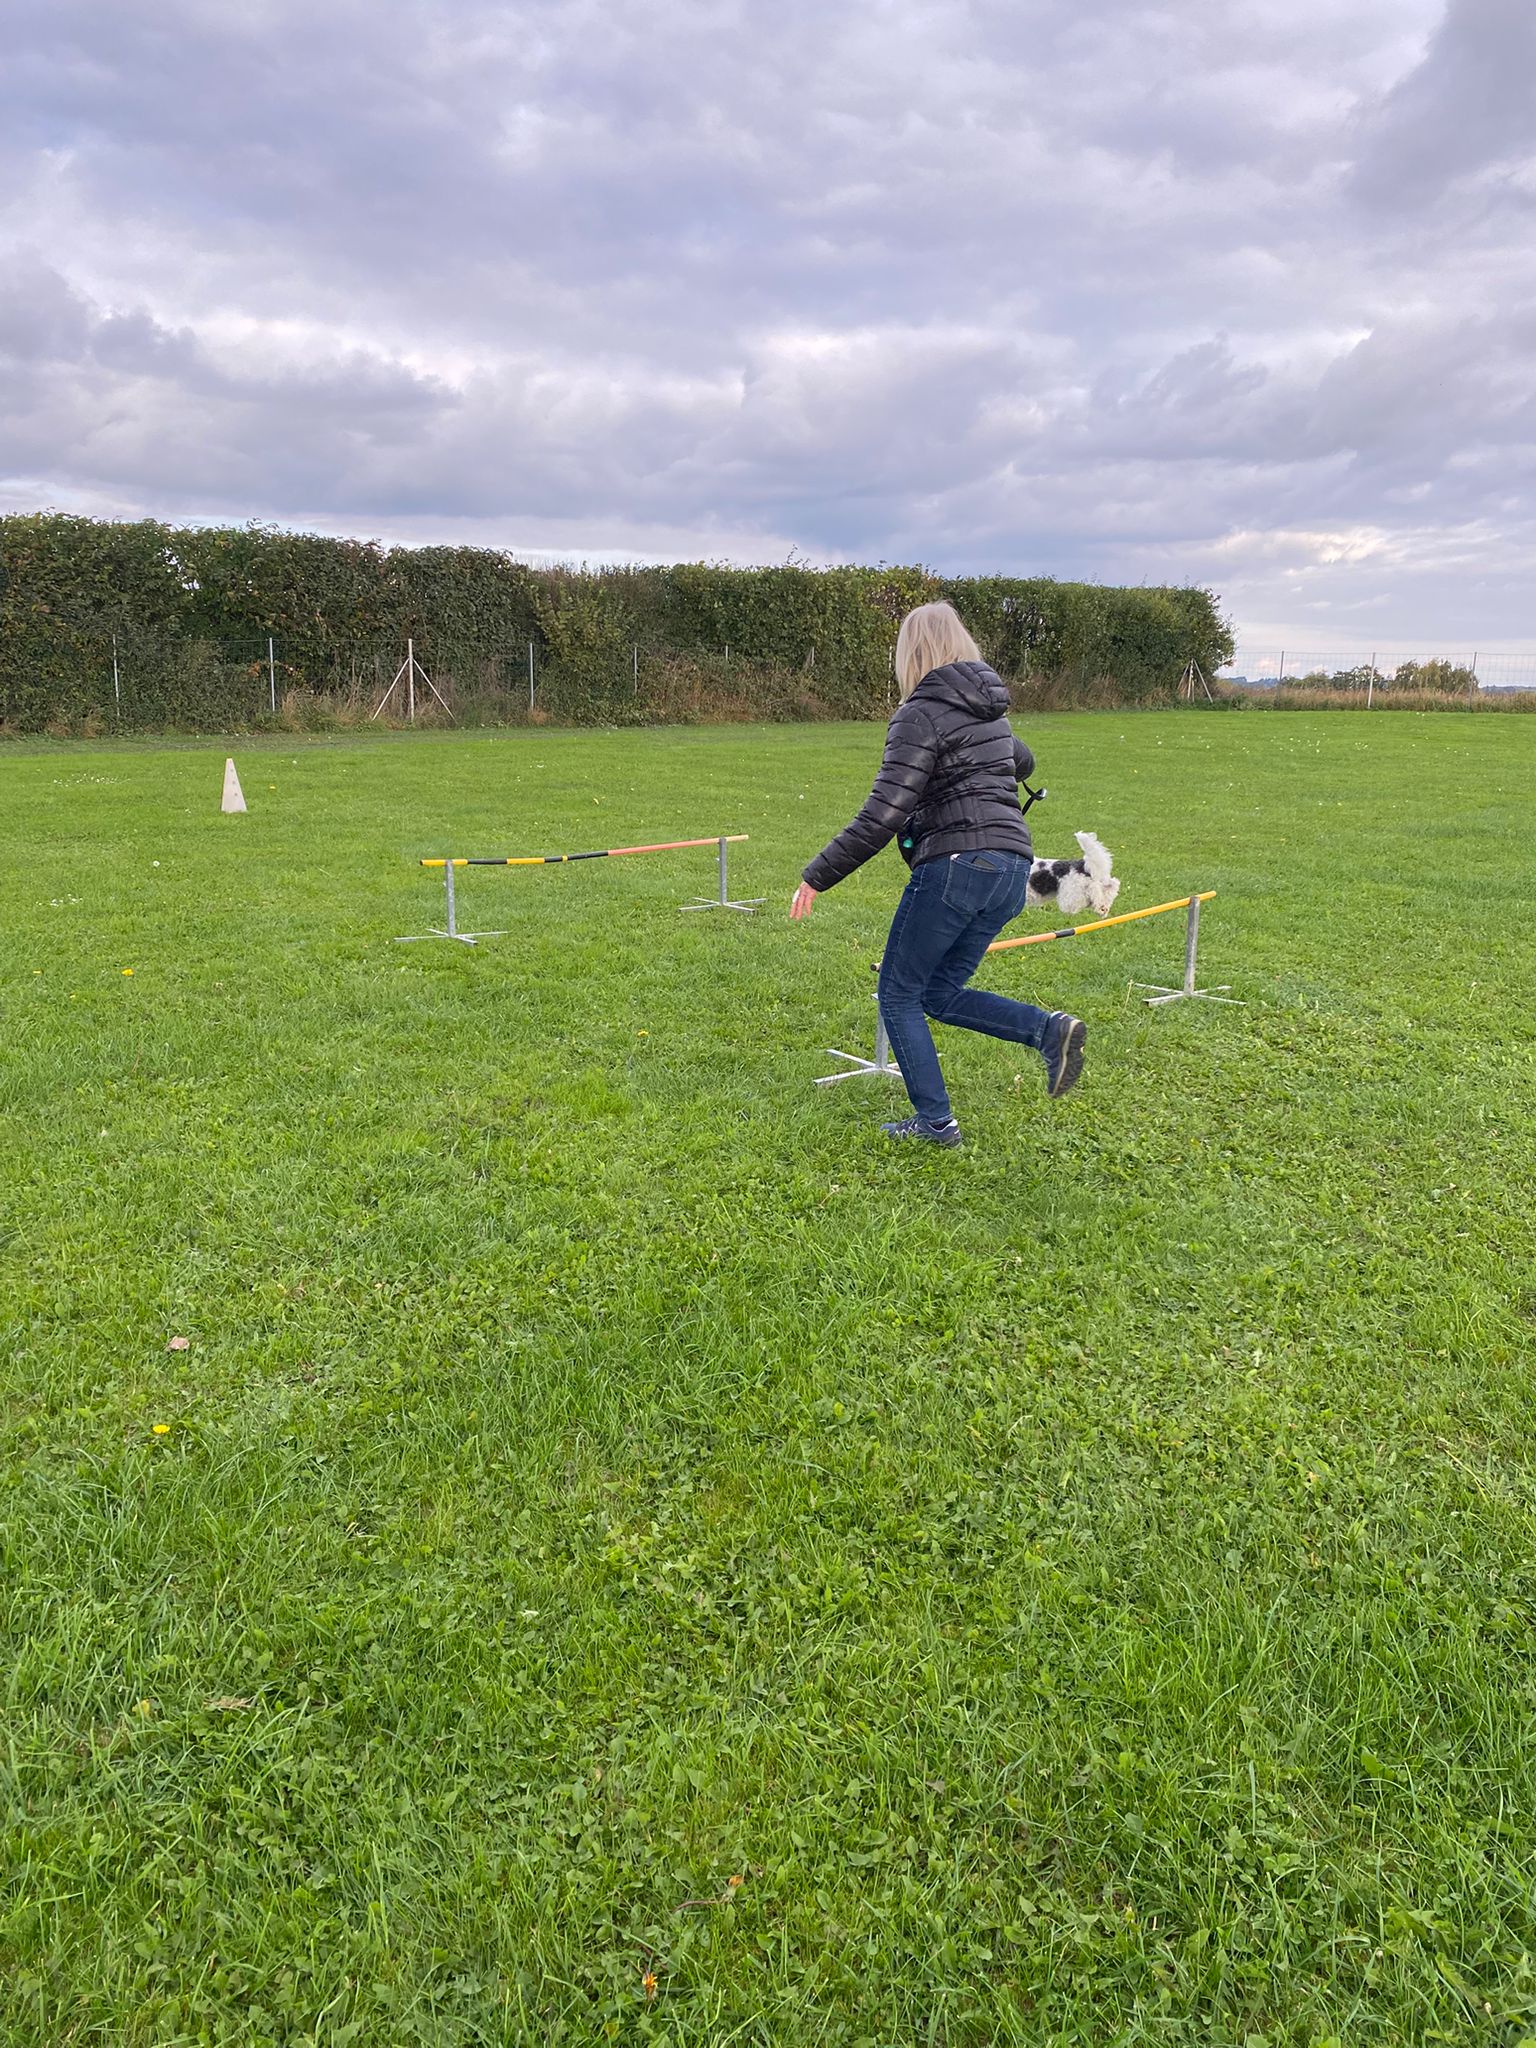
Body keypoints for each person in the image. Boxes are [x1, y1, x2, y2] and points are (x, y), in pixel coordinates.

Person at [790, 601, 1085, 1147]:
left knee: (898, 992)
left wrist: (817, 874)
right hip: (1010, 870)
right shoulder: (990, 713)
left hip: (956, 867)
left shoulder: (919, 714)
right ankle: (1048, 1031)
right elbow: (1023, 761)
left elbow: (883, 814)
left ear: (911, 653)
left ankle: (935, 1122)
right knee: (940, 991)